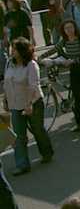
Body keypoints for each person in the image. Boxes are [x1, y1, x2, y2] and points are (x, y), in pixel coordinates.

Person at [3, 38, 53, 175]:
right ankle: (22, 164)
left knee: (37, 130)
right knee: (19, 136)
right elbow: (7, 83)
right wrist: (5, 100)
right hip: (15, 105)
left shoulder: (31, 65)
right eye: (12, 49)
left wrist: (29, 104)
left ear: (22, 51)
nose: (12, 51)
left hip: (32, 103)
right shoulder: (9, 63)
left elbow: (33, 85)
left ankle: (47, 152)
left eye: (15, 49)